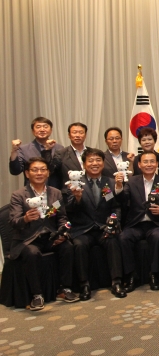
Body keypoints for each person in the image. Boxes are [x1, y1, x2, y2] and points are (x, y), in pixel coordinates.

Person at [9, 157, 78, 311]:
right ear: (27, 173)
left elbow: (61, 217)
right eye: (35, 170)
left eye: (43, 170)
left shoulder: (55, 193)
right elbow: (13, 221)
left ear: (48, 173)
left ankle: (65, 288)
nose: (39, 173)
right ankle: (37, 295)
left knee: (67, 247)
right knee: (32, 253)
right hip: (28, 239)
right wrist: (25, 218)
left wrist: (62, 233)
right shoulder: (19, 195)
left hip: (50, 236)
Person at [65, 148, 127, 299]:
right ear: (84, 164)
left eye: (98, 160)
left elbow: (115, 206)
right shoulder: (75, 183)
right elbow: (69, 209)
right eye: (91, 161)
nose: (95, 163)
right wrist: (77, 198)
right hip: (83, 229)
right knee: (79, 245)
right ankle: (84, 285)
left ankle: (116, 282)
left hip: (104, 227)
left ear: (103, 163)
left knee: (113, 241)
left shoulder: (110, 182)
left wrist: (114, 221)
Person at [120, 151, 159, 292]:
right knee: (124, 238)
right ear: (139, 164)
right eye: (145, 162)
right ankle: (131, 275)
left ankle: (154, 274)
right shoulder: (131, 181)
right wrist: (118, 187)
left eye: (152, 161)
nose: (149, 164)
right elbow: (123, 200)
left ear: (157, 164)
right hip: (136, 223)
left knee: (157, 237)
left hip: (156, 223)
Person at [9, 116, 64, 189]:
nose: (42, 130)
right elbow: (15, 171)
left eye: (45, 127)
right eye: (38, 127)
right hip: (32, 191)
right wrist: (14, 151)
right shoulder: (24, 149)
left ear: (51, 130)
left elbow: (57, 171)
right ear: (33, 131)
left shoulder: (59, 148)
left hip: (54, 191)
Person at [57, 122, 88, 187]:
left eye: (81, 132)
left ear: (85, 135)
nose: (77, 135)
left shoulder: (92, 152)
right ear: (69, 135)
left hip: (91, 190)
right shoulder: (61, 153)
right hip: (69, 190)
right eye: (74, 132)